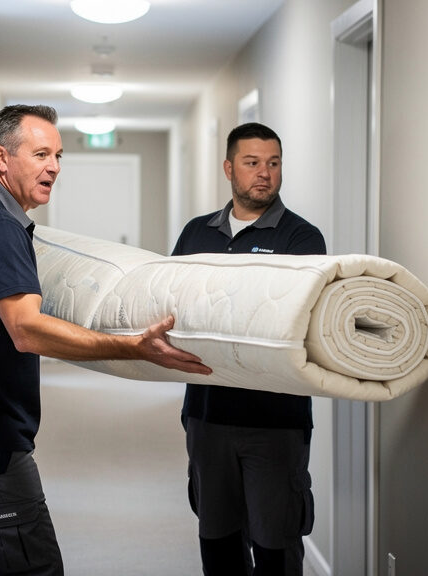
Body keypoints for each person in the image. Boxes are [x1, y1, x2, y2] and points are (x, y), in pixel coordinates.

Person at [0, 103, 211, 576]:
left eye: (59, 155)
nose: (54, 167)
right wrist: (129, 347)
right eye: (42, 153)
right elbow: (26, 329)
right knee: (34, 567)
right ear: (1, 158)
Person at [173, 122, 325, 576]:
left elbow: (291, 322)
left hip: (275, 421)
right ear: (229, 168)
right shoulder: (196, 234)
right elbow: (177, 307)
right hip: (206, 414)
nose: (265, 174)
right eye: (252, 162)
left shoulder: (301, 238)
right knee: (217, 545)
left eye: (274, 163)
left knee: (275, 548)